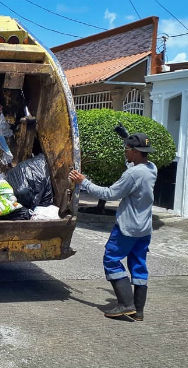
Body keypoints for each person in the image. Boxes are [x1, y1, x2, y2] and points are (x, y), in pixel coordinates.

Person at [69, 133, 157, 321]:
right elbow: (132, 172)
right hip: (144, 228)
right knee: (139, 265)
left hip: (127, 228)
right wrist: (126, 137)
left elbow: (109, 193)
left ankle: (126, 304)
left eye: (127, 149)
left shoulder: (132, 174)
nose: (125, 152)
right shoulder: (151, 168)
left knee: (111, 259)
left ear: (134, 152)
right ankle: (138, 311)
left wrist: (83, 182)